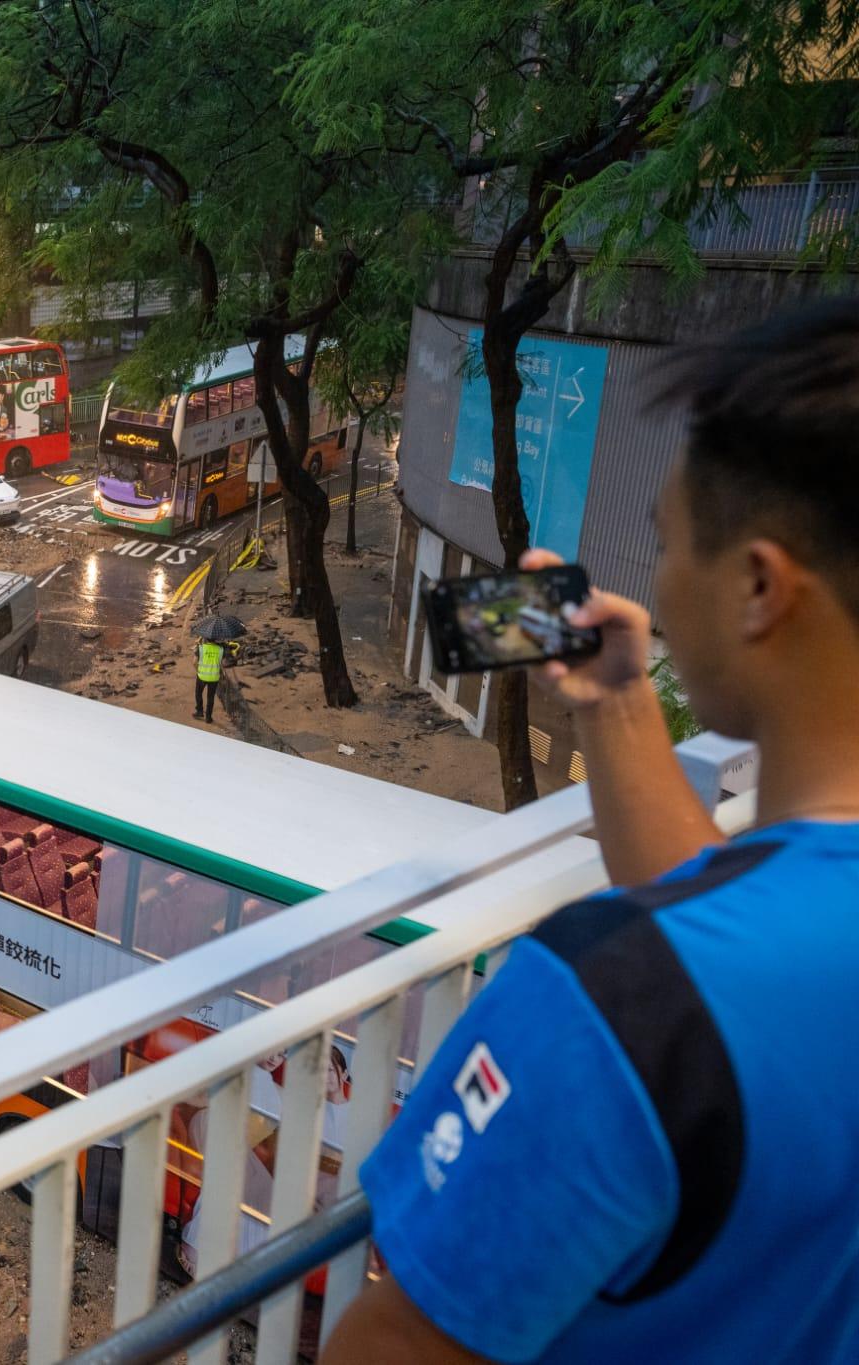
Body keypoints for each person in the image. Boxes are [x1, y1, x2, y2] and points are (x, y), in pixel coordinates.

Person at [321, 300, 859, 1363]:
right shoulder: (737, 970)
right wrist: (614, 700)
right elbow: (740, 930)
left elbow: (390, 1349)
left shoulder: (609, 1001)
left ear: (757, 586)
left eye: (667, 544)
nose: (658, 583)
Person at [194, 635, 230, 722]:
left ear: (206, 638)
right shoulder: (220, 650)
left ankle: (199, 711)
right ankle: (208, 717)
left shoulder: (201, 648)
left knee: (198, 693)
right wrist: (223, 673)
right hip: (214, 677)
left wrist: (198, 670)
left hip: (202, 676)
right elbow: (221, 663)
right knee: (210, 697)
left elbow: (194, 662)